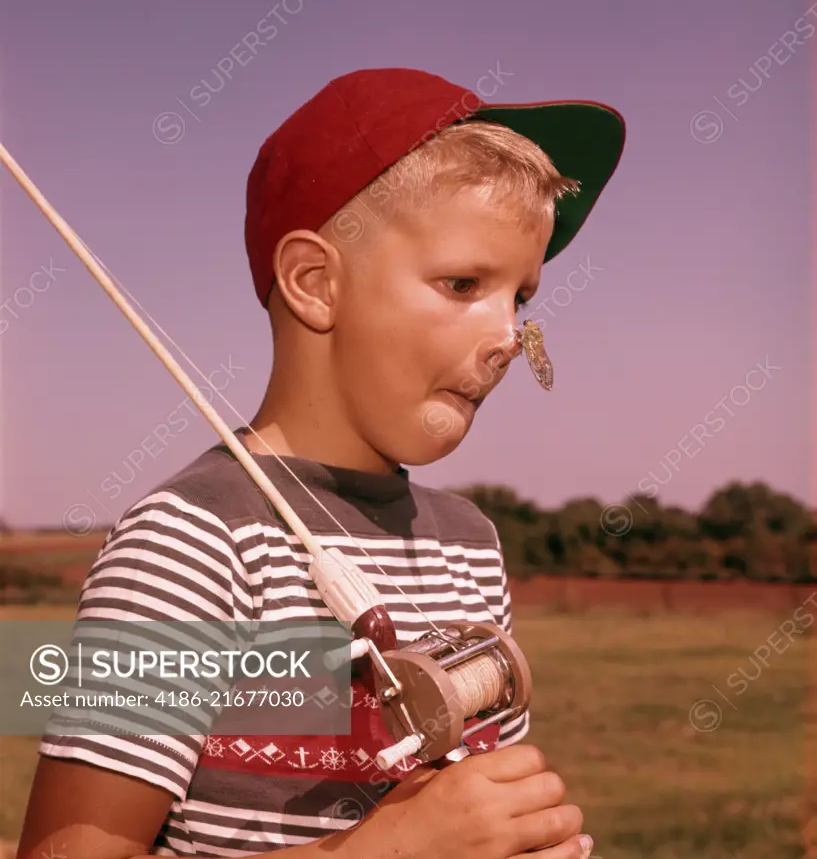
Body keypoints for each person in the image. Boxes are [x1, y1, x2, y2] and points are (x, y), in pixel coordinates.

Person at [16, 66, 625, 859]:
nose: (507, 336)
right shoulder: (192, 542)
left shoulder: (469, 543)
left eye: (520, 299)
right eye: (463, 283)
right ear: (314, 283)